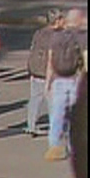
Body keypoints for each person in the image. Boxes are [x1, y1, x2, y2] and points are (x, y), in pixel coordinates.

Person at [44, 7, 84, 161]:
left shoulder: (55, 37)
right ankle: (73, 146)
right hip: (75, 79)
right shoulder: (81, 37)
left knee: (57, 114)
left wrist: (48, 82)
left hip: (58, 79)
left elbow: (50, 61)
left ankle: (54, 146)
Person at [24, 8, 62, 137]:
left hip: (35, 69)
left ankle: (31, 125)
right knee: (52, 101)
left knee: (35, 98)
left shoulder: (39, 33)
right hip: (47, 72)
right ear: (57, 20)